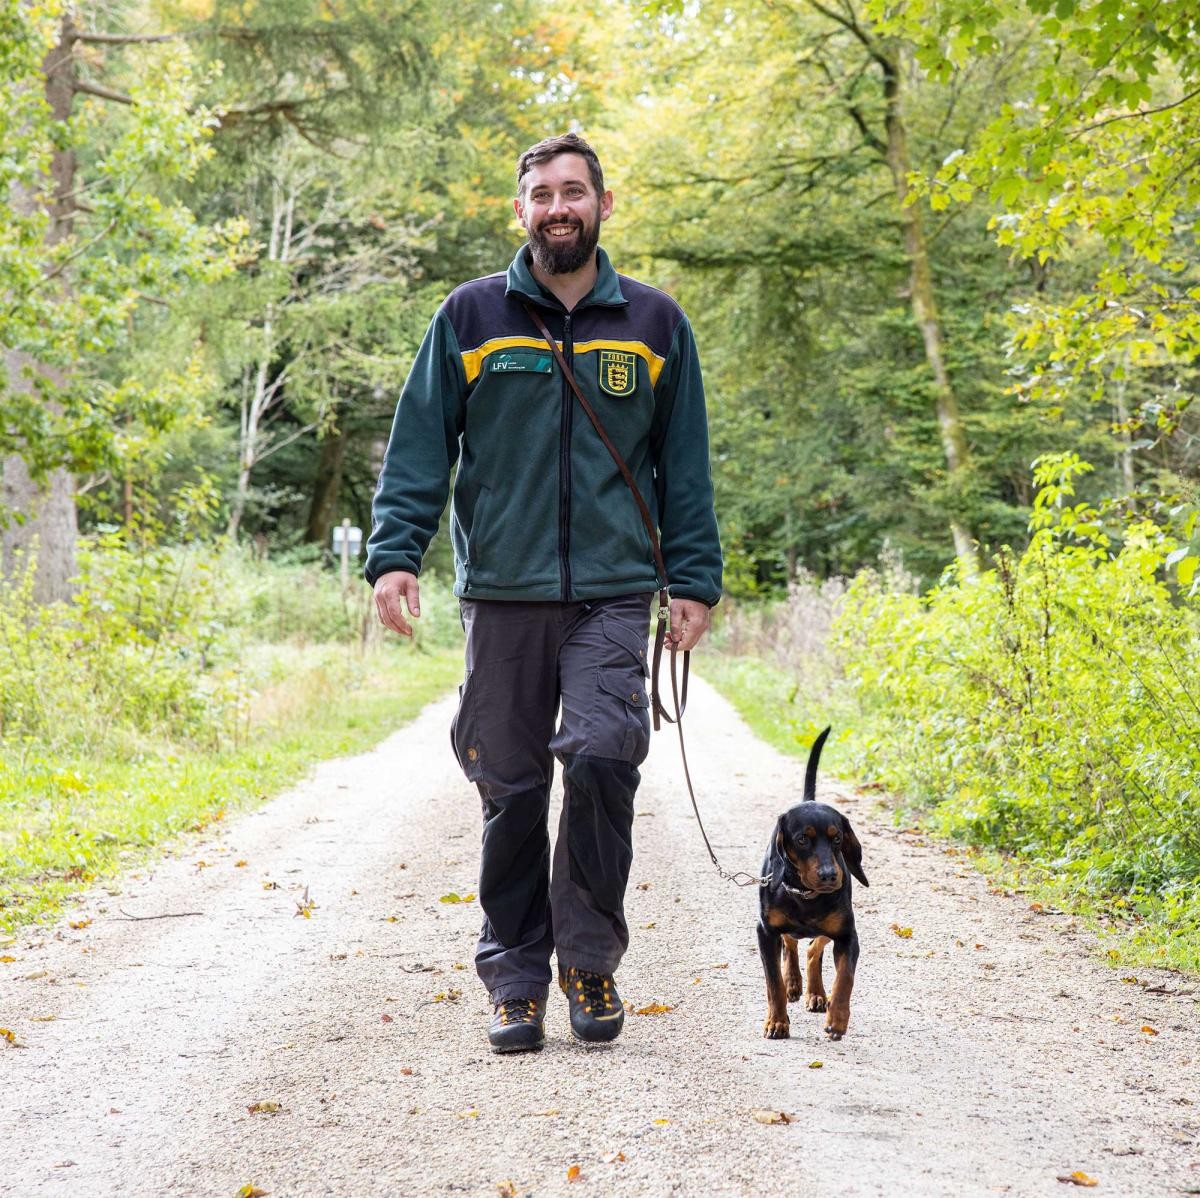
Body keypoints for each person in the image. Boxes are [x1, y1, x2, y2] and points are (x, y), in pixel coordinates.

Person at [365, 132, 722, 1053]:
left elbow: (685, 468)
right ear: (520, 209)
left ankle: (590, 960)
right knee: (511, 786)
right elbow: (419, 446)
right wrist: (394, 554)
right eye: (542, 193)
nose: (559, 206)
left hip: (612, 594)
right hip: (504, 594)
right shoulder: (471, 317)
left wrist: (694, 579)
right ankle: (516, 978)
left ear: (605, 204)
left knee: (606, 755)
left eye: (575, 191)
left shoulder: (654, 324)